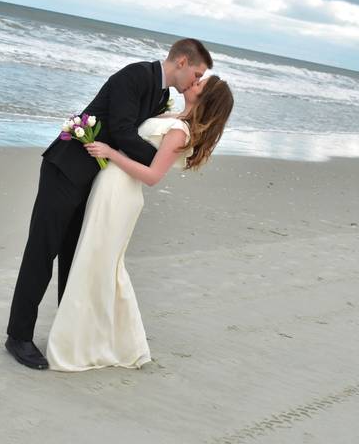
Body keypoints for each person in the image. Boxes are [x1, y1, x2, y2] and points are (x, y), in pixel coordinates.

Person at [6, 38, 213, 369]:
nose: (196, 81)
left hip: (94, 179)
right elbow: (122, 132)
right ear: (182, 63)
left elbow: (143, 131)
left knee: (74, 257)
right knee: (42, 251)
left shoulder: (161, 95)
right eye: (198, 73)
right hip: (66, 168)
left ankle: (68, 333)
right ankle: (18, 337)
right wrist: (159, 162)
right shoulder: (136, 76)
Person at [46, 74, 234, 371]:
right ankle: (109, 340)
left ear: (205, 98)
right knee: (99, 262)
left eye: (200, 84)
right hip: (110, 186)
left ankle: (92, 343)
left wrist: (109, 153)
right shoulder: (172, 116)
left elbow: (152, 176)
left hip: (121, 193)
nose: (193, 82)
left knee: (99, 263)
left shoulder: (180, 131)